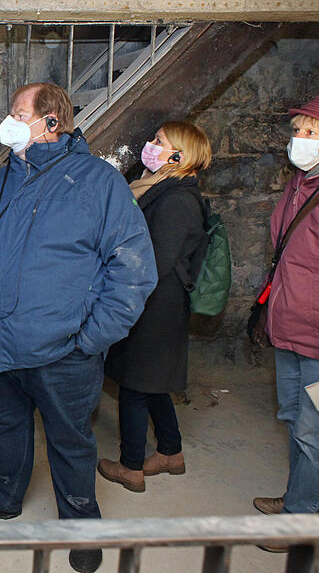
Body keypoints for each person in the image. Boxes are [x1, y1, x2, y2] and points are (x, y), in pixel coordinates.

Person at [0, 82, 157, 573]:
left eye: (20, 114)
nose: (9, 121)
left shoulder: (96, 182)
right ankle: (2, 496)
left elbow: (134, 270)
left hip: (61, 349)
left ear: (51, 123)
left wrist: (89, 338)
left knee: (70, 440)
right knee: (6, 425)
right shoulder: (1, 178)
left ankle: (80, 524)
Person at [98, 121, 212, 493]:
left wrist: (122, 294)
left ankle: (131, 466)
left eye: (160, 142)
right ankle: (170, 452)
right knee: (153, 382)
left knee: (134, 382)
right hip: (156, 300)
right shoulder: (162, 187)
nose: (151, 145)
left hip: (154, 303)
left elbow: (156, 262)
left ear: (179, 156)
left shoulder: (178, 200)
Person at [252, 94, 319, 532]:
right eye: (297, 130)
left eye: (311, 132)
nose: (299, 139)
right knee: (295, 421)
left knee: (318, 433)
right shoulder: (299, 183)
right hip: (290, 329)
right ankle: (299, 499)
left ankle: (301, 523)